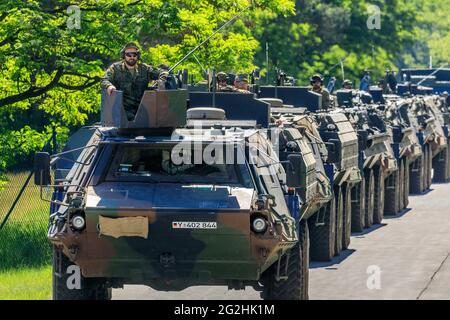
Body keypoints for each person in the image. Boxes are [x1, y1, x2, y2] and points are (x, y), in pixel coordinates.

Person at [100, 42, 169, 120]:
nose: (131, 57)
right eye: (128, 55)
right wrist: (109, 86)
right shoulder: (115, 68)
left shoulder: (145, 69)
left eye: (134, 55)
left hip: (143, 110)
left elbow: (163, 72)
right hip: (123, 111)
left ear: (138, 56)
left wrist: (161, 82)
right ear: (124, 55)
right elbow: (104, 79)